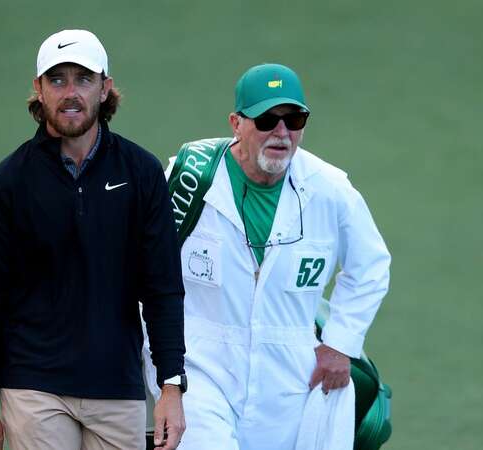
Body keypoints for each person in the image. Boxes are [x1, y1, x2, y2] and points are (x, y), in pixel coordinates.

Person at [0, 29, 186, 450]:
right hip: (33, 385)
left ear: (105, 89)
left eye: (83, 80)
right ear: (39, 89)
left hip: (117, 385)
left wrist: (170, 389)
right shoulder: (8, 183)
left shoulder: (141, 173)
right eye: (57, 80)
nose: (70, 93)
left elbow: (163, 290)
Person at [156, 63, 391, 449]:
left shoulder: (330, 189)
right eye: (267, 120)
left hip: (289, 372)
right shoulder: (189, 179)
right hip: (199, 362)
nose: (282, 133)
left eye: (294, 119)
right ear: (236, 123)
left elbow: (371, 266)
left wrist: (340, 343)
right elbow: (144, 265)